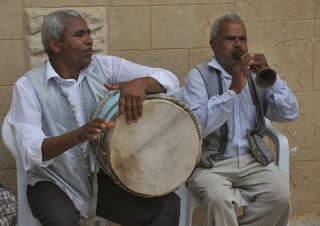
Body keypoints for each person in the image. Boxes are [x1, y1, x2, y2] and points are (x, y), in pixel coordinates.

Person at [8, 10, 180, 226]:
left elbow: (169, 79)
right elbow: (31, 152)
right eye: (80, 34)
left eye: (89, 33)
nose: (90, 40)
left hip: (101, 179)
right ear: (56, 45)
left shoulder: (105, 68)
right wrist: (77, 136)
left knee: (167, 205)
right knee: (63, 221)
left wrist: (142, 83)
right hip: (52, 182)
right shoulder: (28, 87)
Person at [182, 14, 299, 226]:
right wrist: (234, 89)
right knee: (218, 199)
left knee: (280, 195)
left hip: (252, 158)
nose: (238, 45)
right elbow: (197, 126)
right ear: (214, 44)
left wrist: (272, 79)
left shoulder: (256, 75)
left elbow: (289, 113)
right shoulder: (198, 76)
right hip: (211, 162)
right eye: (230, 39)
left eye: (242, 39)